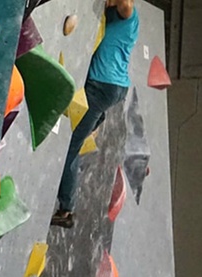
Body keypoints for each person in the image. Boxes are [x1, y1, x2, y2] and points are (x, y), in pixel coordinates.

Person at [52, 0, 139, 228]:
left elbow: (126, 4)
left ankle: (66, 210)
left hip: (103, 85)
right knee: (91, 119)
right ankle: (97, 122)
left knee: (72, 145)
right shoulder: (114, 18)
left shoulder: (128, 15)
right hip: (114, 87)